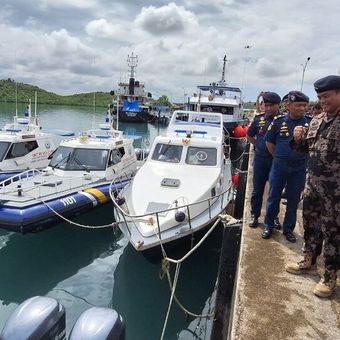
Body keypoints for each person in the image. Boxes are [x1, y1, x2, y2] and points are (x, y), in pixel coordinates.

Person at [285, 75, 340, 298]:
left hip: (335, 194)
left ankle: (329, 277)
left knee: (333, 234)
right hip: (313, 188)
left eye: (326, 96)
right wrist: (297, 139)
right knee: (311, 226)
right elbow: (304, 150)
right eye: (319, 97)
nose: (322, 100)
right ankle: (308, 260)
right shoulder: (317, 120)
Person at [262, 91, 311, 242]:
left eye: (304, 105)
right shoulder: (278, 122)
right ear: (288, 105)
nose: (302, 108)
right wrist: (278, 156)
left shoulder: (310, 123)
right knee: (273, 197)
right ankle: (268, 225)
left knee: (293, 200)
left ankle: (288, 229)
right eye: (298, 105)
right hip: (279, 166)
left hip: (299, 167)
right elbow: (269, 142)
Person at [247, 92, 282, 228]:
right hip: (261, 160)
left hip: (277, 161)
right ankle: (255, 215)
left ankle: (273, 217)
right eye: (265, 105)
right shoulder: (258, 119)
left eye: (270, 105)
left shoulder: (284, 120)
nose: (267, 108)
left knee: (275, 191)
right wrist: (259, 145)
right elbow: (249, 136)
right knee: (257, 190)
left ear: (278, 105)